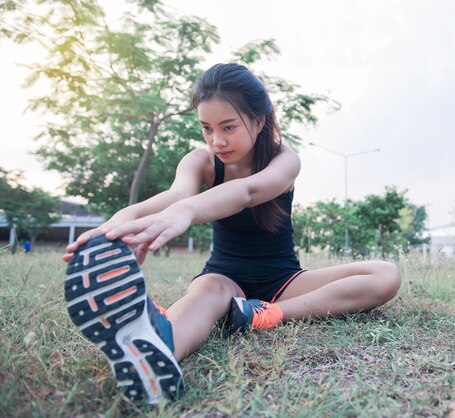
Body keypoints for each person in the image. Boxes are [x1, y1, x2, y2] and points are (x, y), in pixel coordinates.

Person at [63, 63, 401, 404]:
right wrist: (117, 223)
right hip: (224, 278)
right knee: (202, 297)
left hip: (284, 282)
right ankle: (156, 356)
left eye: (229, 127)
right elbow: (179, 194)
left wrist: (188, 211)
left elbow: (248, 192)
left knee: (385, 274)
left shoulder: (285, 160)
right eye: (206, 128)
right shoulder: (202, 160)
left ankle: (262, 315)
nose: (217, 140)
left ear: (259, 120)